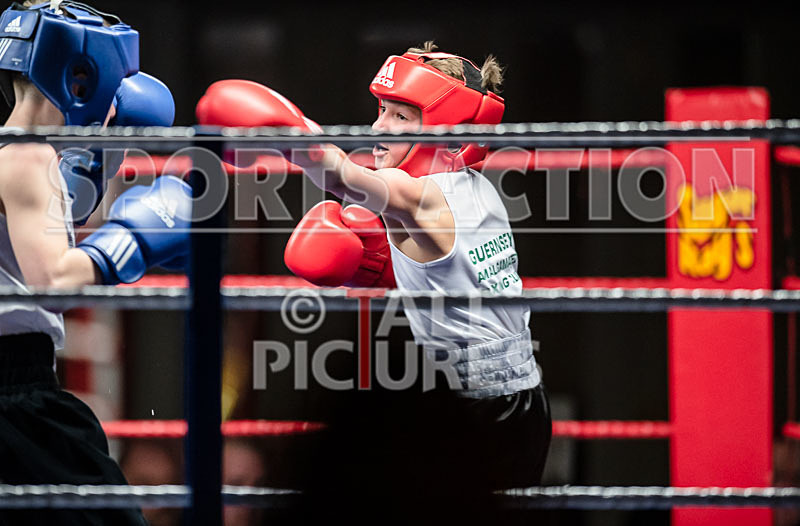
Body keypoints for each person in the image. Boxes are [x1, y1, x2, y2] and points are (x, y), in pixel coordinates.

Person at [196, 41, 551, 519]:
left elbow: (342, 175)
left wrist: (293, 136)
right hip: (518, 396)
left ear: (444, 129)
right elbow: (448, 278)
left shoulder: (417, 196)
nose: (379, 127)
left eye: (402, 116)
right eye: (383, 109)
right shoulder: (480, 189)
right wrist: (383, 265)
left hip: (481, 409)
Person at [0, 2, 189, 524]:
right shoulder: (27, 157)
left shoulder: (24, 152)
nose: (122, 94)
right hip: (18, 395)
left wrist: (97, 157)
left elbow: (44, 224)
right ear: (81, 75)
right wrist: (140, 235)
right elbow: (53, 281)